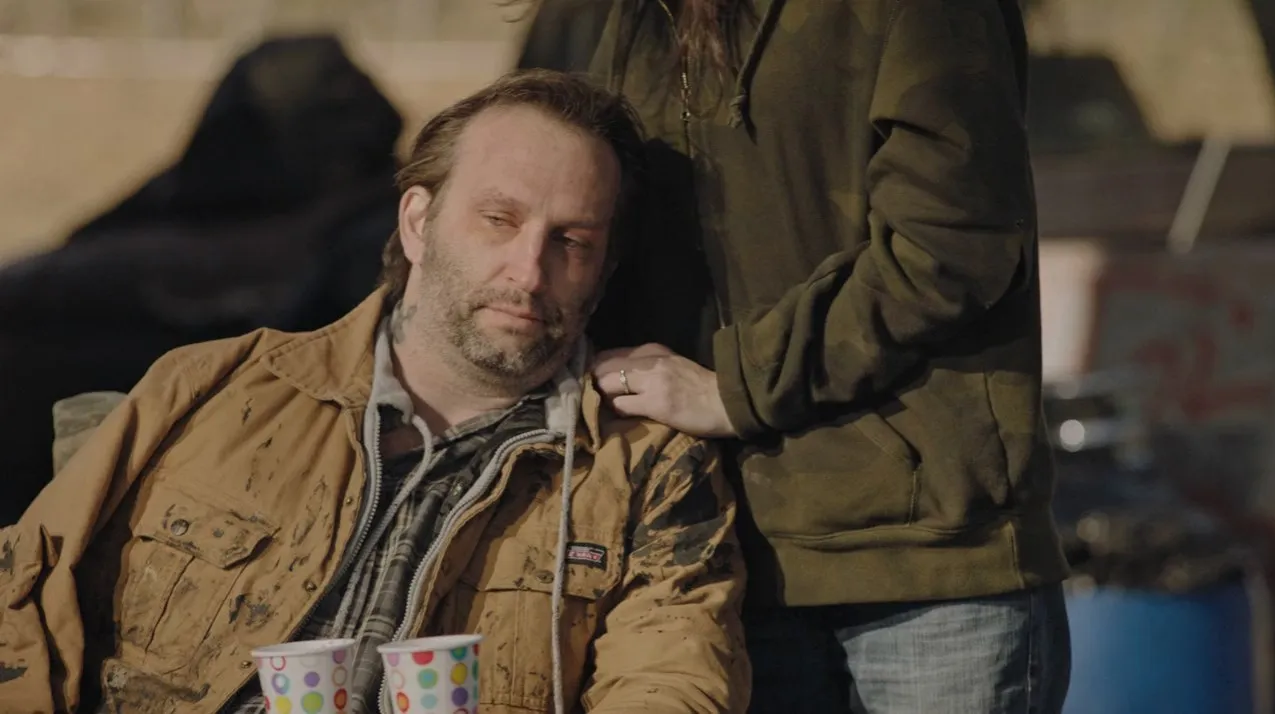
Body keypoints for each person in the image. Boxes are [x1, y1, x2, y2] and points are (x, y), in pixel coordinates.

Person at [0, 70, 749, 714]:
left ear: (604, 272)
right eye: (499, 219)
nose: (529, 271)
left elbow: (671, 686)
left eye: (572, 242)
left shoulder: (644, 470)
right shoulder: (212, 390)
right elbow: (21, 603)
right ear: (418, 222)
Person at [585, 1, 1073, 712]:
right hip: (711, 563)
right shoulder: (633, 17)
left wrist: (738, 386)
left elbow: (952, 244)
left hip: (923, 565)